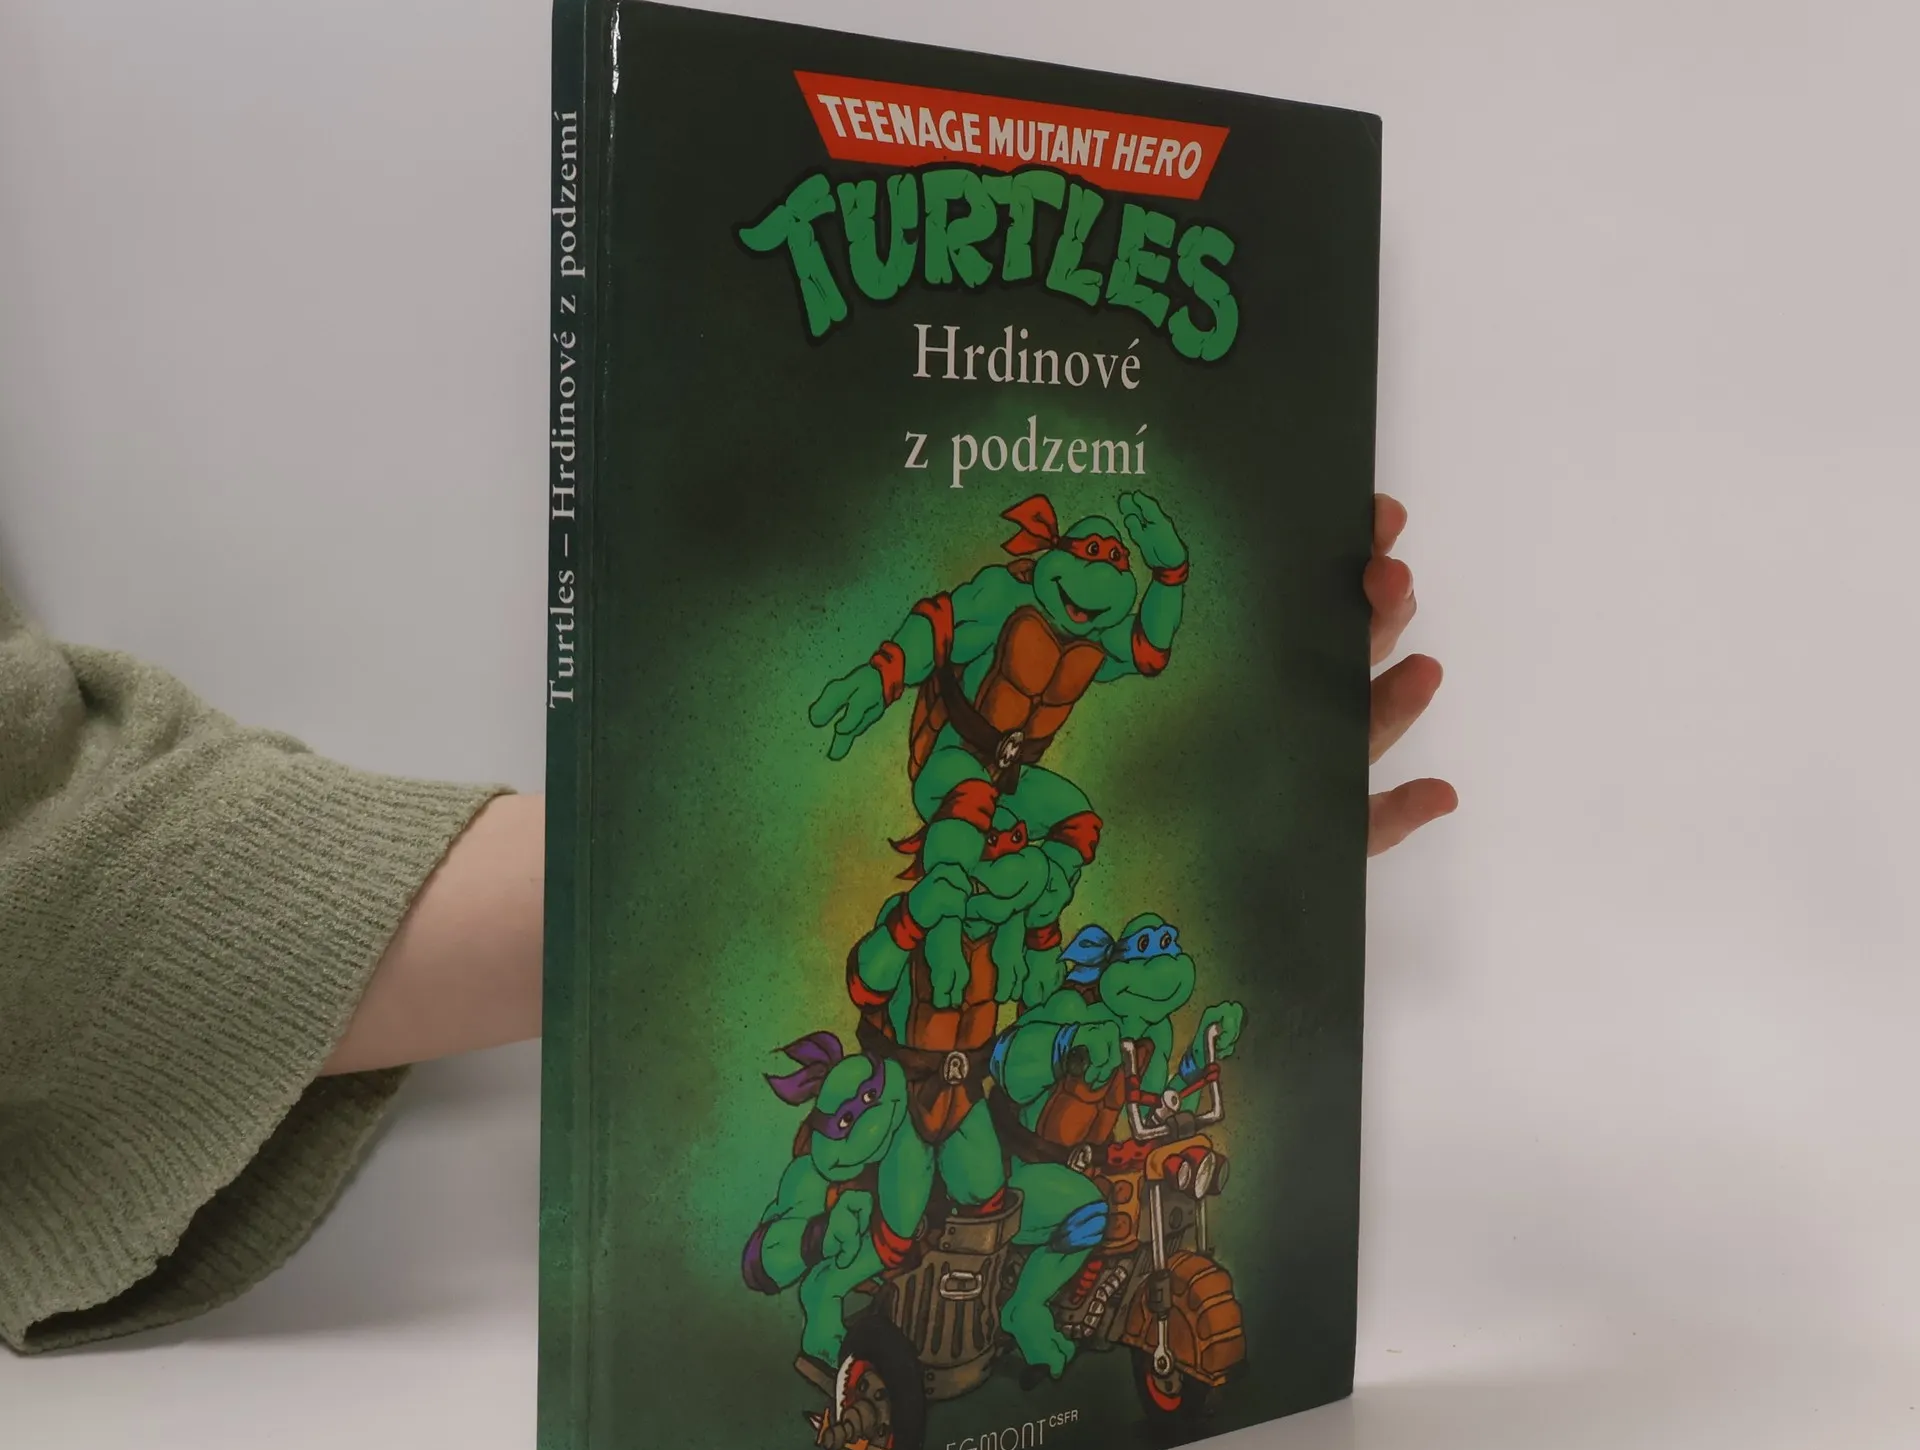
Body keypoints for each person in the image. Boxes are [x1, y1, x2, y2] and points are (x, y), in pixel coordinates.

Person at [0, 496, 1452, 1355]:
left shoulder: (1095, 637)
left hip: (993, 895)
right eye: (1088, 574)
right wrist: (859, 714)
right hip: (947, 806)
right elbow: (920, 650)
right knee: (920, 1159)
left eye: (1113, 589)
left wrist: (1196, 628)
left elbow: (1154, 652)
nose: (1095, 603)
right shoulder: (996, 609)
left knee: (1014, 1117)